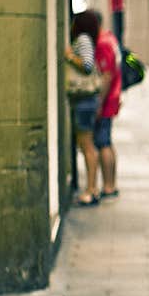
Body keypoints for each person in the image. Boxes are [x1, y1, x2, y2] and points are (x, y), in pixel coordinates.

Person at [64, 11, 101, 206]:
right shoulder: (86, 39)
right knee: (87, 145)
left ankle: (91, 189)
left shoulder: (83, 39)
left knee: (87, 146)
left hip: (84, 100)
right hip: (85, 100)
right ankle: (92, 188)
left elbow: (87, 65)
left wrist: (69, 56)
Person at [93, 11, 122, 199]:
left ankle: (109, 186)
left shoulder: (102, 42)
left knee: (102, 142)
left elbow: (106, 75)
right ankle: (111, 183)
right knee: (107, 141)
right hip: (113, 96)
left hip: (107, 99)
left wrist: (99, 103)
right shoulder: (110, 38)